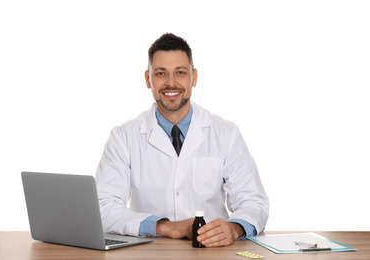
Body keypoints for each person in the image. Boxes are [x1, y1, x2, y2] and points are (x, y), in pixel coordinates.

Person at [96, 33, 269, 247]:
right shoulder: (123, 137)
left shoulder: (226, 134)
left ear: (194, 77)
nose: (171, 83)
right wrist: (167, 227)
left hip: (212, 251)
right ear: (147, 79)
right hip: (149, 251)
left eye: (180, 72)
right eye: (160, 73)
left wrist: (234, 229)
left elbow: (253, 201)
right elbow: (103, 206)